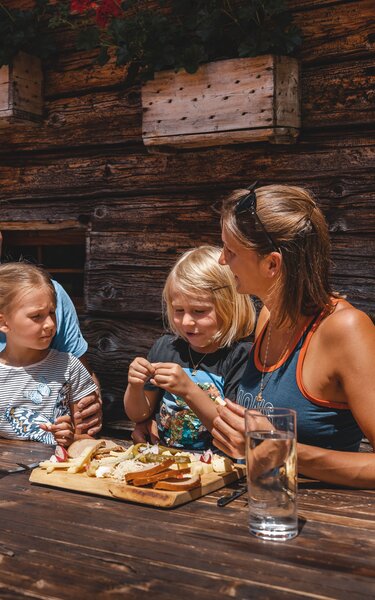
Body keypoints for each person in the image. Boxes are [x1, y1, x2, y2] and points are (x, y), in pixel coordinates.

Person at [210, 183, 375, 487]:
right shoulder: (268, 316)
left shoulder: (345, 329)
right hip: (259, 509)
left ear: (272, 263)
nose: (222, 260)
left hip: (327, 523)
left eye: (231, 251)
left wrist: (285, 450)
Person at [124, 245, 255, 451]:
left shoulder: (240, 356)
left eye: (199, 311)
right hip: (165, 459)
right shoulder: (167, 348)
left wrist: (188, 390)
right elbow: (138, 413)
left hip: (215, 467)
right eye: (178, 310)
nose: (186, 322)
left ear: (229, 305)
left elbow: (231, 430)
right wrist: (135, 385)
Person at [0, 231, 102, 436]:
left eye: (52, 313)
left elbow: (84, 429)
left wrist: (73, 434)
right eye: (37, 316)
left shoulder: (68, 366)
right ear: (4, 322)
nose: (49, 324)